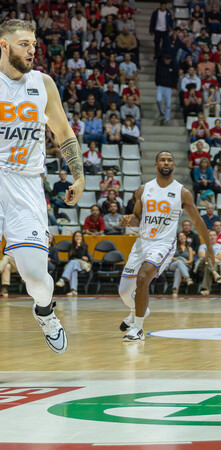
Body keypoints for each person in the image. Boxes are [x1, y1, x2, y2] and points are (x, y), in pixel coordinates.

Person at [0, 19, 85, 354]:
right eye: (23, 44)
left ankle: (45, 311)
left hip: (26, 183)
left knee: (35, 276)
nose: (32, 50)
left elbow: (63, 132)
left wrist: (77, 174)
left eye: (33, 44)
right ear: (4, 46)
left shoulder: (43, 84)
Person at [117, 152, 214, 341]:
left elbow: (196, 220)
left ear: (174, 166)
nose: (166, 162)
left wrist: (208, 246)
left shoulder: (182, 192)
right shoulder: (143, 189)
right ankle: (138, 311)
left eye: (170, 159)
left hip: (163, 244)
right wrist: (128, 220)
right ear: (156, 164)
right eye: (163, 159)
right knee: (124, 292)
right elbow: (137, 217)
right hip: (141, 242)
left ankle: (137, 328)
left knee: (144, 277)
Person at [54, 231, 92, 297]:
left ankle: (63, 279)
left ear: (82, 237)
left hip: (81, 265)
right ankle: (74, 290)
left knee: (73, 262)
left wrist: (79, 246)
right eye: (76, 236)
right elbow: (70, 257)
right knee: (73, 269)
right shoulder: (71, 246)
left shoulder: (85, 245)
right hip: (74, 264)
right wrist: (77, 249)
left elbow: (84, 256)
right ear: (74, 238)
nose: (78, 238)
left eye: (79, 236)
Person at [196, 229, 221, 296]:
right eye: (210, 235)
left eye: (214, 235)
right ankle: (214, 272)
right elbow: (201, 255)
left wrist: (207, 255)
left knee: (208, 267)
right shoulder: (203, 246)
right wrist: (213, 257)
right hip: (202, 264)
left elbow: (220, 257)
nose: (212, 237)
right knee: (206, 261)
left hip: (215, 266)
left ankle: (206, 289)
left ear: (217, 237)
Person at [169, 231, 195, 296]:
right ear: (178, 238)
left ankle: (175, 290)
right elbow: (170, 257)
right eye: (180, 236)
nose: (182, 237)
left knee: (178, 270)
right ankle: (187, 278)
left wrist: (183, 262)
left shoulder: (189, 248)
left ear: (186, 237)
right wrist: (178, 260)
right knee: (178, 263)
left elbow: (191, 260)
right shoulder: (174, 247)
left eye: (183, 236)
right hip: (174, 264)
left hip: (185, 265)